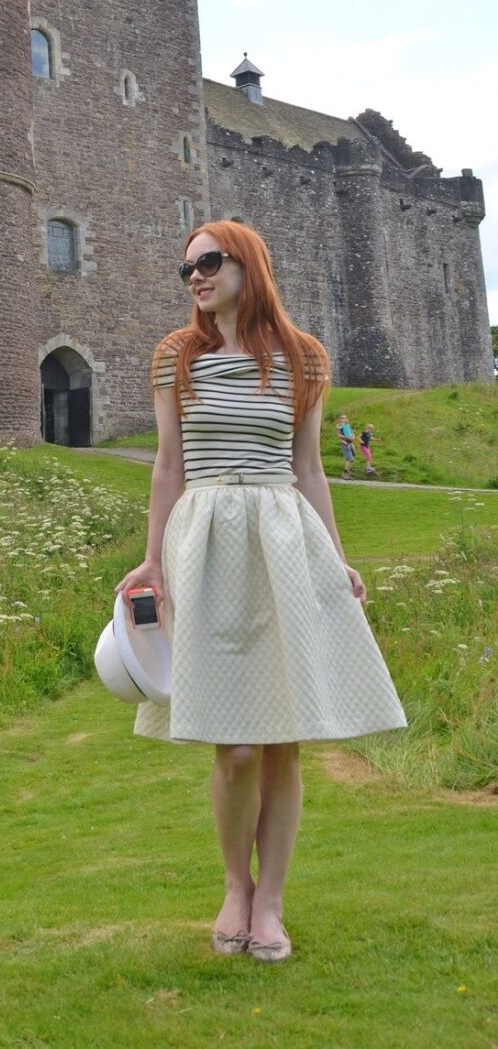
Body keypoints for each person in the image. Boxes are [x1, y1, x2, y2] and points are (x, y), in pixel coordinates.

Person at [114, 221, 406, 963]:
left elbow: (309, 468)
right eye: (185, 269)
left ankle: (270, 905)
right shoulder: (176, 356)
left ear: (248, 263)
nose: (195, 278)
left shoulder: (303, 358)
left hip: (284, 538)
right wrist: (152, 560)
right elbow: (167, 467)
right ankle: (234, 887)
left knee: (282, 741)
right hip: (206, 541)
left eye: (208, 262)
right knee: (235, 746)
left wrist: (337, 559)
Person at [336, 413, 355, 479]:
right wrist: (347, 438)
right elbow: (339, 435)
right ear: (339, 419)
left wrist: (352, 437)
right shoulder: (339, 426)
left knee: (351, 459)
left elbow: (352, 433)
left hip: (351, 444)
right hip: (345, 444)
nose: (344, 419)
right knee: (350, 459)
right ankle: (345, 474)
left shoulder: (347, 425)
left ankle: (348, 474)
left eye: (345, 418)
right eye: (342, 418)